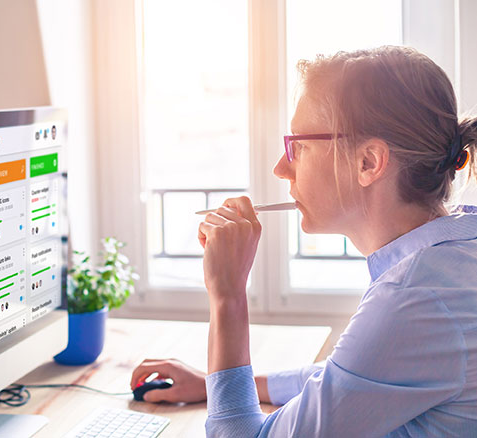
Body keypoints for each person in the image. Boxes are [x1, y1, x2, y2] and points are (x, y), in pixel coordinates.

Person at [131, 46, 477, 436]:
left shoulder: (414, 298)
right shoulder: (453, 259)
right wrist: (217, 386)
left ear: (369, 162)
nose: (281, 168)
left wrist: (227, 295)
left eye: (299, 146)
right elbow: (350, 377)